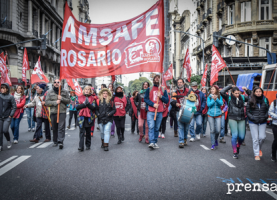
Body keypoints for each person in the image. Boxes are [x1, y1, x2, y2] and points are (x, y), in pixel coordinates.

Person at [220, 85, 250, 158]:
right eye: (236, 93)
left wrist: (247, 89)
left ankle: (238, 145)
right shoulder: (228, 98)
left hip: (241, 118)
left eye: (238, 93)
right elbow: (221, 91)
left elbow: (252, 97)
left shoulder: (243, 98)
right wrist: (229, 86)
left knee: (242, 137)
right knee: (235, 135)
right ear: (232, 93)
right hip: (232, 118)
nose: (237, 94)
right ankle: (235, 152)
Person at [144, 75, 169, 149]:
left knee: (157, 128)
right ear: (153, 80)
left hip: (160, 111)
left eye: (158, 78)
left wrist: (161, 96)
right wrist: (153, 104)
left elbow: (167, 100)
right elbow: (146, 99)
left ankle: (154, 142)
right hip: (151, 111)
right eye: (156, 78)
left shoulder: (163, 89)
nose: (157, 79)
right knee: (151, 126)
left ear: (160, 80)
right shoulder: (149, 89)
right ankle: (151, 142)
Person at [45, 79, 70, 149]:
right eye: (55, 82)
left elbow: (69, 101)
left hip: (62, 111)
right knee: (54, 127)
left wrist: (61, 98)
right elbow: (47, 102)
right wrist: (55, 102)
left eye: (58, 82)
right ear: (53, 83)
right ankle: (55, 141)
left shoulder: (65, 91)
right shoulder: (49, 92)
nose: (56, 83)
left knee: (61, 127)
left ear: (60, 83)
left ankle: (60, 141)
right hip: (53, 112)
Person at [246, 87, 269, 161]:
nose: (258, 93)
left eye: (260, 91)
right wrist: (252, 118)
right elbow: (247, 111)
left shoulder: (265, 99)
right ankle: (256, 154)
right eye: (257, 91)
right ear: (254, 92)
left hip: (263, 121)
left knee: (262, 137)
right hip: (253, 121)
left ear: (262, 92)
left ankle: (259, 148)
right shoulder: (250, 100)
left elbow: (268, 110)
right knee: (255, 139)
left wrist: (265, 117)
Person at [76, 86, 96, 151]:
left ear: (90, 91)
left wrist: (88, 104)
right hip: (81, 117)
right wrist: (84, 104)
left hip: (89, 117)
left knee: (88, 132)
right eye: (86, 89)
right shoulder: (79, 97)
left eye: (88, 89)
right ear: (84, 90)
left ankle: (88, 145)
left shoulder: (92, 98)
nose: (87, 90)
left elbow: (94, 108)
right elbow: (76, 107)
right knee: (81, 132)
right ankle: (81, 146)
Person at [171, 78, 189, 148]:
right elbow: (172, 101)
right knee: (181, 126)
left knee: (186, 127)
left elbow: (194, 97)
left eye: (181, 82)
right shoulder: (175, 92)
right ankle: (181, 141)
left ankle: (185, 138)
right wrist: (176, 104)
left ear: (183, 83)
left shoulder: (188, 91)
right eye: (178, 82)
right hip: (179, 111)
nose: (179, 83)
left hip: (187, 111)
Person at [0, 83, 16, 150]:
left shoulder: (10, 97)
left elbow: (14, 107)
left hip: (7, 117)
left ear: (7, 89)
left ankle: (8, 141)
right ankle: (0, 145)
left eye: (3, 88)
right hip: (0, 117)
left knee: (5, 130)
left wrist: (10, 115)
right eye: (1, 88)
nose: (2, 89)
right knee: (0, 131)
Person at [207, 85, 223, 150]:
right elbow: (209, 105)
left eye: (213, 89)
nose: (212, 90)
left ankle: (216, 139)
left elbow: (221, 104)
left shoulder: (219, 96)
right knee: (212, 130)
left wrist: (216, 99)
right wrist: (213, 100)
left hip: (218, 115)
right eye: (211, 89)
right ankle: (213, 144)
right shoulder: (209, 97)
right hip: (210, 115)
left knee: (218, 130)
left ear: (216, 90)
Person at [268, 94, 277, 162]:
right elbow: (270, 112)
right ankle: (273, 154)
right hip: (275, 124)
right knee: (276, 140)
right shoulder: (274, 103)